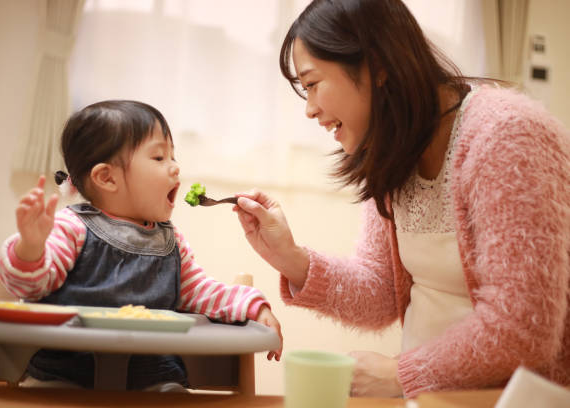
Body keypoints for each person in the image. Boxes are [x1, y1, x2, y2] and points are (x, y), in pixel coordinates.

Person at [233, 0, 570, 399]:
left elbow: (523, 329)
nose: (309, 110)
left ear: (376, 65)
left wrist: (400, 374)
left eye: (312, 84)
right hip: (428, 397)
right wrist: (290, 258)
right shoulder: (393, 149)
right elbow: (381, 293)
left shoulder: (508, 136)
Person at [0, 100, 283, 391]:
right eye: (159, 158)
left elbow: (199, 291)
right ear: (107, 177)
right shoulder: (71, 228)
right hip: (65, 372)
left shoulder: (169, 241)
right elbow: (29, 286)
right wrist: (31, 247)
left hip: (152, 376)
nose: (175, 168)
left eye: (173, 156)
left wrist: (253, 307)